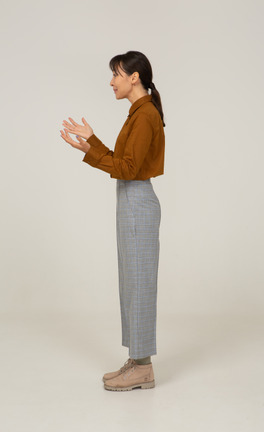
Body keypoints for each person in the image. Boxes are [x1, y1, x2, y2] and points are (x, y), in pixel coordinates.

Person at [60, 50, 165, 391]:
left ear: (134, 77)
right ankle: (137, 361)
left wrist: (90, 149)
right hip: (130, 201)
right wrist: (88, 142)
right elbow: (123, 161)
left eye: (117, 74)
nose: (111, 81)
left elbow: (128, 169)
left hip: (137, 201)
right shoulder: (139, 112)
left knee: (139, 285)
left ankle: (144, 367)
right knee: (131, 283)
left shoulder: (145, 114)